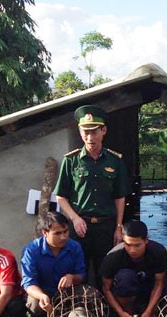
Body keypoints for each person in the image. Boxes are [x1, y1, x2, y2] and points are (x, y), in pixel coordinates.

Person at [54, 105, 130, 289]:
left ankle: (106, 312)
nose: (90, 137)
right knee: (78, 271)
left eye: (94, 132)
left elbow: (120, 197)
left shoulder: (115, 161)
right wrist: (75, 218)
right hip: (80, 227)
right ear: (80, 132)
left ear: (103, 131)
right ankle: (80, 311)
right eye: (85, 132)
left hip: (106, 226)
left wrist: (119, 227)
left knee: (106, 271)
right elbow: (61, 196)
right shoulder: (71, 161)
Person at [100, 220, 167, 317]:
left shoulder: (158, 252)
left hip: (150, 287)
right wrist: (121, 313)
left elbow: (159, 284)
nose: (132, 250)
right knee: (125, 277)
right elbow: (106, 289)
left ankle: (154, 316)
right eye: (128, 245)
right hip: (125, 291)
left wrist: (148, 312)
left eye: (137, 245)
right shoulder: (113, 257)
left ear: (146, 240)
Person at [21, 211, 86, 317]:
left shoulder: (75, 247)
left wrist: (72, 277)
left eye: (66, 231)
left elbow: (81, 275)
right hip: (43, 292)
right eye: (58, 233)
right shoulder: (31, 250)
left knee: (89, 295)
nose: (63, 237)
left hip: (67, 293)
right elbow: (28, 283)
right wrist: (41, 296)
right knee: (35, 303)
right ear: (45, 233)